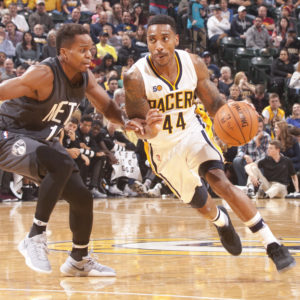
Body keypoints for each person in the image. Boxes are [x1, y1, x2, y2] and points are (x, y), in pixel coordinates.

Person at [123, 14, 295, 272]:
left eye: (164, 39)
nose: (158, 45)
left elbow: (215, 105)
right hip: (162, 146)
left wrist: (237, 114)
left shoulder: (192, 64)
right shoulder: (135, 77)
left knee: (220, 181)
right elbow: (141, 130)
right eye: (152, 40)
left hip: (192, 131)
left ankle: (271, 243)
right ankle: (220, 221)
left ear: (176, 40)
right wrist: (149, 128)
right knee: (201, 203)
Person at [0, 24, 142, 276]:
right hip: (10, 136)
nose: (90, 55)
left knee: (82, 198)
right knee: (62, 163)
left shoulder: (85, 77)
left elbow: (107, 106)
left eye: (91, 49)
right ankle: (34, 236)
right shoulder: (43, 74)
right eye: (83, 50)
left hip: (43, 141)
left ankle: (79, 259)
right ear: (64, 53)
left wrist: (125, 120)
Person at [233, 117, 271, 188]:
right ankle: (243, 186)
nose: (259, 129)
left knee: (260, 165)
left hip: (261, 163)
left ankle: (256, 187)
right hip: (248, 161)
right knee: (237, 160)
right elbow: (240, 151)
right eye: (257, 127)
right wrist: (245, 156)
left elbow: (266, 155)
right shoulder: (246, 135)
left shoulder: (266, 136)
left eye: (261, 127)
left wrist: (257, 142)